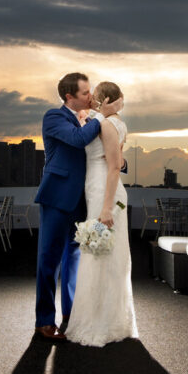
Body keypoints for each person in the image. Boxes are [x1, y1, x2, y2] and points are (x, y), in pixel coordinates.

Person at [34, 73, 121, 341]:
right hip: (57, 198)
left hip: (83, 200)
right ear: (69, 96)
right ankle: (44, 321)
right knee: (49, 261)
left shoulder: (87, 121)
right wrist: (101, 116)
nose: (90, 97)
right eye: (85, 93)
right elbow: (76, 140)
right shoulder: (54, 117)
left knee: (74, 261)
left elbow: (96, 153)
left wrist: (119, 161)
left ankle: (72, 316)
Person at [65, 81, 138, 347]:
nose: (92, 102)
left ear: (104, 99)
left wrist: (106, 208)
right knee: (105, 254)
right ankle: (107, 317)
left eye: (95, 98)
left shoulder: (106, 125)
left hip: (106, 195)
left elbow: (114, 167)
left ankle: (100, 322)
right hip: (99, 191)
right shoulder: (114, 122)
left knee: (97, 254)